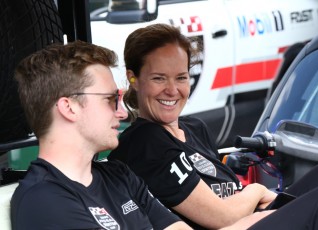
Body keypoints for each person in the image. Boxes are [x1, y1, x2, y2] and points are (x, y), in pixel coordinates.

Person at [108, 23, 318, 229]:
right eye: (159, 78)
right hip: (236, 224)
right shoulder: (144, 143)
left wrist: (258, 200)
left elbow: (231, 194)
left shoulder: (195, 128)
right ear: (133, 79)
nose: (172, 90)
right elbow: (223, 217)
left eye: (181, 77)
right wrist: (257, 191)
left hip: (256, 216)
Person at [10, 40, 192, 230]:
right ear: (69, 107)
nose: (122, 113)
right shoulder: (43, 200)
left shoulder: (119, 175)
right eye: (111, 100)